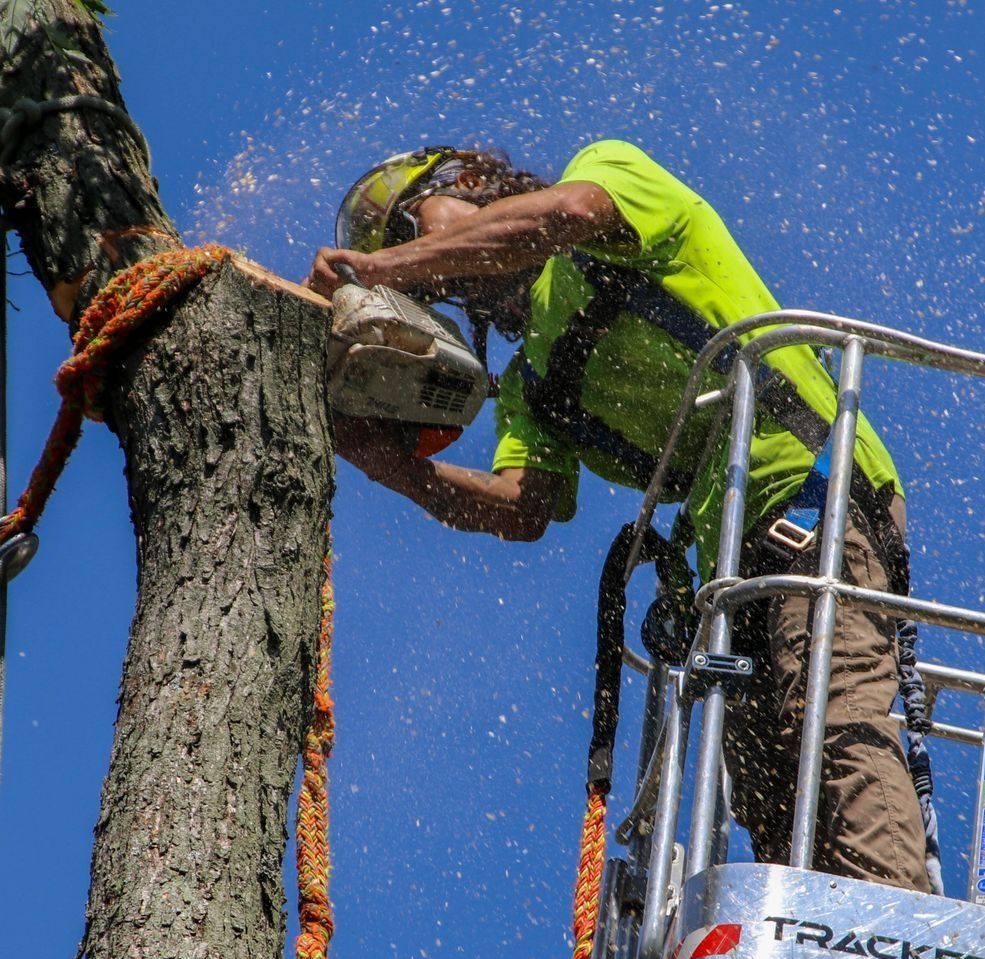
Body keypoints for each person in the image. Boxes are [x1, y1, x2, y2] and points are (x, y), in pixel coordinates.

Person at [307, 141, 929, 892]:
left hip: (813, 484)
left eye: (416, 235)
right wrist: (388, 464)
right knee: (765, 781)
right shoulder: (532, 380)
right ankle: (809, 956)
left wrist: (379, 272)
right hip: (727, 553)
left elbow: (570, 213)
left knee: (829, 716)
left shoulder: (605, 181)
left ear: (469, 184)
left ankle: (894, 936)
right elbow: (521, 507)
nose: (434, 273)